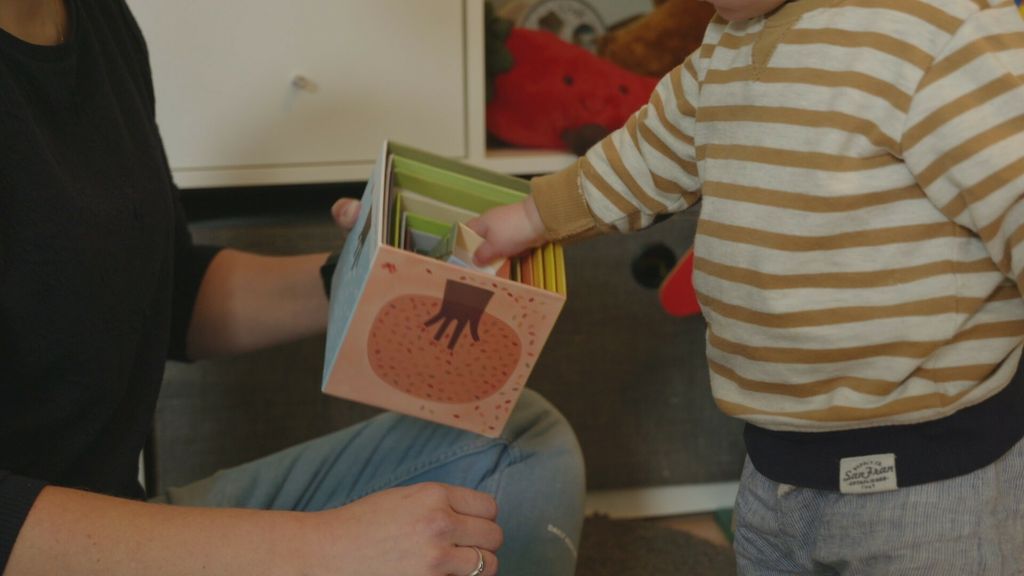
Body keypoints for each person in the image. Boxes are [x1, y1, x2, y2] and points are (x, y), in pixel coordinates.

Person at [0, 1, 585, 575]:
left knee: (520, 440)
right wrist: (320, 551)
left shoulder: (100, 21)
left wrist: (368, 273)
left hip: (117, 526)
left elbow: (163, 294)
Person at [469, 0, 1024, 573]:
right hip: (774, 466)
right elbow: (648, 154)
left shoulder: (937, 31)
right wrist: (536, 219)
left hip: (933, 482)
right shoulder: (725, 44)